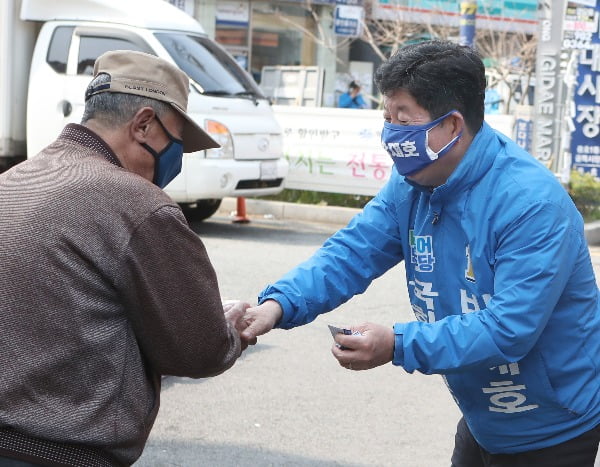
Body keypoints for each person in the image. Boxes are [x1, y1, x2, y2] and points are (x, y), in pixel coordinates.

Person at [242, 40, 600, 466]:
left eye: (403, 119)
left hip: (552, 427)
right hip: (482, 419)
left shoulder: (530, 204)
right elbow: (352, 252)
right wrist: (277, 305)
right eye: (386, 117)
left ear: (452, 125)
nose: (391, 133)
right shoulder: (411, 183)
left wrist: (397, 344)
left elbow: (508, 329)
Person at [0, 50, 251, 466]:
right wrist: (231, 328)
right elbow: (199, 349)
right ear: (144, 124)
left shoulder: (12, 181)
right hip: (63, 454)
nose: (177, 159)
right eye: (177, 143)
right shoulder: (138, 205)